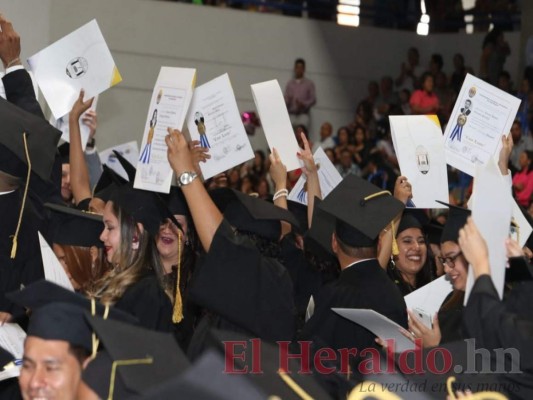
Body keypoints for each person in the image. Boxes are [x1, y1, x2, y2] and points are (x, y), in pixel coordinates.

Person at [301, 175, 407, 373]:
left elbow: (306, 356)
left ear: (334, 243)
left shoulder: (334, 295)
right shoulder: (394, 293)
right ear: (380, 244)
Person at [93, 184, 175, 331]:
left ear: (136, 234)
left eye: (110, 227)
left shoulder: (148, 293)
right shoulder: (115, 282)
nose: (101, 236)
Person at [284, 58, 316, 132]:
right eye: (297, 67)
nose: (299, 70)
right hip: (291, 113)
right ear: (295, 68)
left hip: (303, 114)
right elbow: (286, 98)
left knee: (302, 133)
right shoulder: (290, 84)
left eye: (301, 68)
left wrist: (304, 104)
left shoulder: (309, 83)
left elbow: (313, 99)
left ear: (304, 69)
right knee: (287, 132)